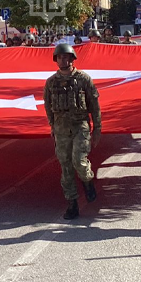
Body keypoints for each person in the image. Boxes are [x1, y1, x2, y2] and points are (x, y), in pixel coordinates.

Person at [43, 43, 101, 220]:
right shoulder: (51, 82)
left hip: (80, 127)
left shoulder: (84, 79)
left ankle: (88, 181)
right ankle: (72, 204)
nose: (63, 60)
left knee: (79, 162)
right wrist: (53, 126)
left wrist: (97, 128)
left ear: (72, 58)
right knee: (66, 167)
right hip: (61, 130)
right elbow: (48, 106)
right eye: (59, 57)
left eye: (66, 57)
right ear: (56, 59)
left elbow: (94, 106)